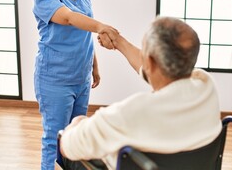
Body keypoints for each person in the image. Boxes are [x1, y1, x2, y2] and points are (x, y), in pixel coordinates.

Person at [59, 16, 222, 170]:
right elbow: (151, 68)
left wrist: (77, 122)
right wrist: (118, 41)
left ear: (150, 62)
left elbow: (69, 146)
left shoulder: (130, 113)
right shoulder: (206, 86)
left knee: (67, 139)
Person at [33, 0, 118, 170]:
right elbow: (69, 18)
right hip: (55, 80)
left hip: (81, 78)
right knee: (54, 139)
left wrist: (94, 65)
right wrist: (101, 26)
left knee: (76, 137)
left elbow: (84, 34)